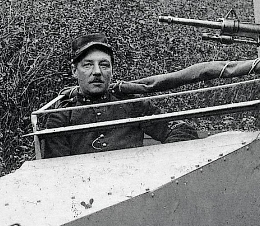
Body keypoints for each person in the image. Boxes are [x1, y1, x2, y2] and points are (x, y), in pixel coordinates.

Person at [42, 33, 198, 158]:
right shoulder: (62, 116)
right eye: (88, 65)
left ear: (112, 69)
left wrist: (156, 163)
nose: (97, 72)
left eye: (104, 65)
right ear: (74, 71)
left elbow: (181, 130)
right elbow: (57, 172)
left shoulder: (132, 104)